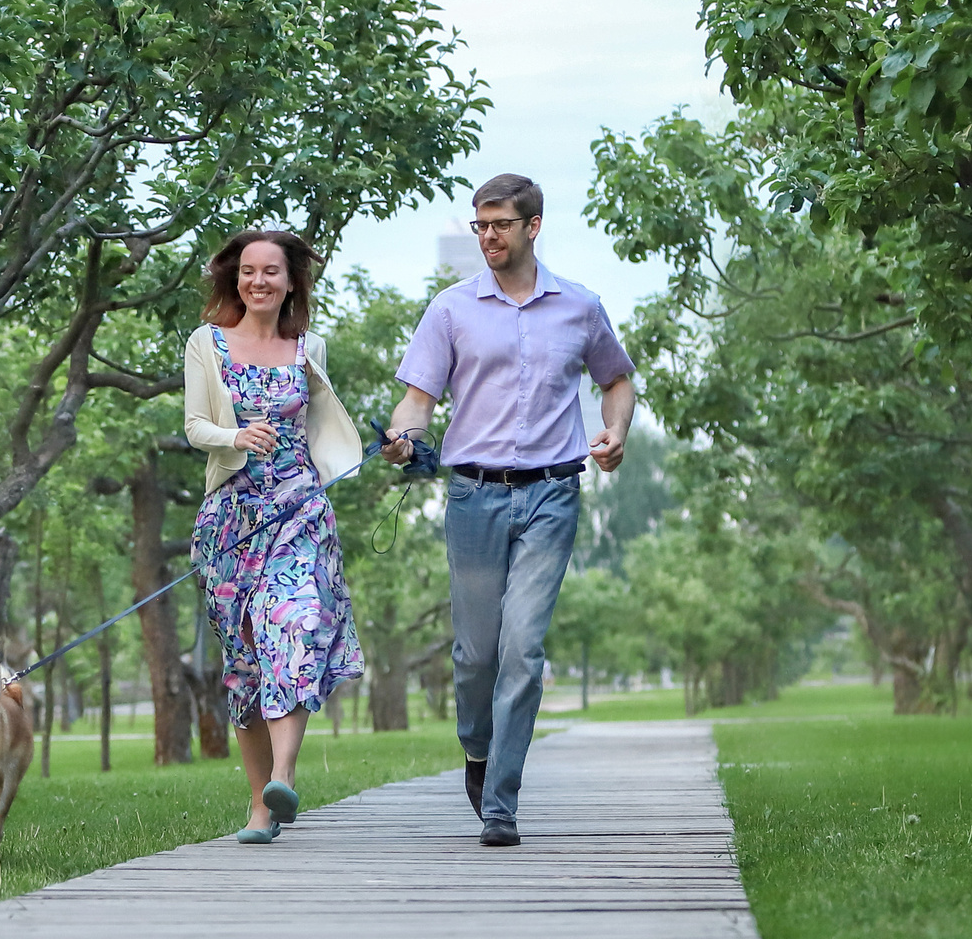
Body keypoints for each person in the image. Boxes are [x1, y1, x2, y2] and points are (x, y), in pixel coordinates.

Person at [386, 173, 635, 846]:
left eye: (499, 224)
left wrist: (616, 431)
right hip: (472, 495)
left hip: (552, 492)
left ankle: (501, 802)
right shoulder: (451, 309)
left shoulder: (579, 307)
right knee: (475, 655)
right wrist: (404, 434)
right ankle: (477, 749)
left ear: (533, 226)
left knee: (523, 649)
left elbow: (616, 379)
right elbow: (417, 397)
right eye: (480, 225)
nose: (488, 236)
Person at [184, 229, 367, 844]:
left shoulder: (307, 347)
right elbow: (194, 425)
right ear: (234, 279)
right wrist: (233, 437)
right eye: (247, 271)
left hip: (299, 510)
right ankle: (258, 809)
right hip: (230, 520)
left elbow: (318, 424)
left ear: (291, 281)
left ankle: (283, 778)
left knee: (292, 622)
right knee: (244, 665)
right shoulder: (206, 344)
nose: (258, 281)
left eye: (271, 272)